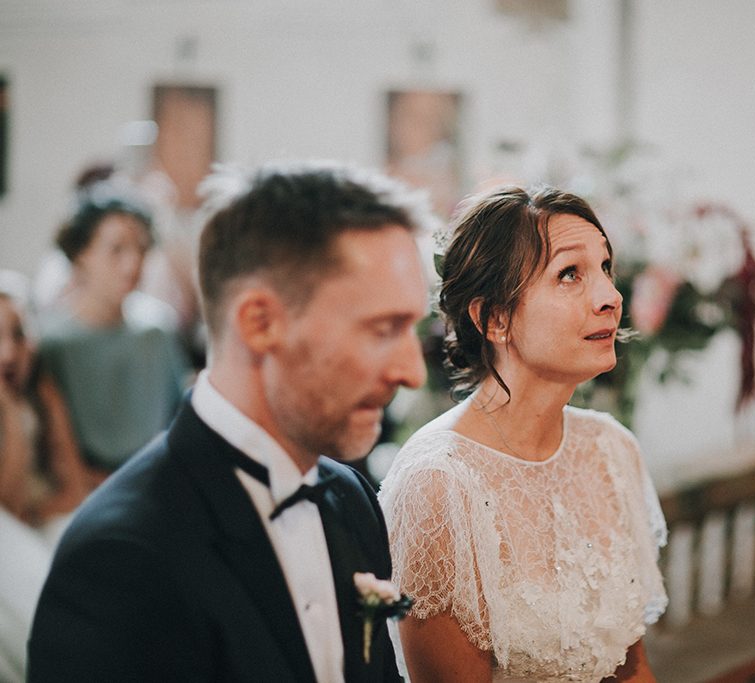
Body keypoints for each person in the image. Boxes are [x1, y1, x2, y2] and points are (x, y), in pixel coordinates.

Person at [28, 160, 432, 682]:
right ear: (259, 323)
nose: (412, 371)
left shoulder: (352, 501)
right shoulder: (120, 558)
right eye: (381, 330)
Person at [378, 185, 668, 682]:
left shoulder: (610, 449)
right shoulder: (439, 484)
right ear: (494, 318)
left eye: (605, 268)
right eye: (570, 274)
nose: (611, 297)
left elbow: (631, 665)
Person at [35, 181, 191, 482]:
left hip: (159, 480)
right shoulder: (53, 342)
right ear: (81, 254)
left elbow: (179, 417)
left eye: (141, 249)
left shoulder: (157, 329)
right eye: (116, 249)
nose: (133, 264)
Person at [0, 271, 88, 682]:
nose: (8, 352)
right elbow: (8, 502)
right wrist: (9, 413)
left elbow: (74, 486)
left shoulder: (45, 393)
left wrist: (44, 511)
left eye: (18, 335)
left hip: (44, 511)